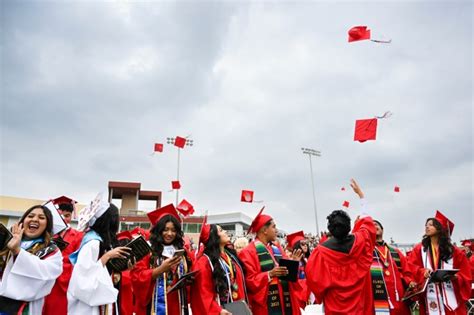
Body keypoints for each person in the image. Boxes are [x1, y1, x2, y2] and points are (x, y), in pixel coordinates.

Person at [306, 179, 376, 315]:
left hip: (334, 306)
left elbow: (315, 283)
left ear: (330, 230)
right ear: (350, 227)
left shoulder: (320, 252)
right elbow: (367, 223)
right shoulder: (360, 241)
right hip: (360, 306)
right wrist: (361, 196)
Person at [67, 193, 131, 315]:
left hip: (97, 301)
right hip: (87, 305)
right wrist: (107, 256)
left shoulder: (100, 240)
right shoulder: (93, 242)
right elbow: (83, 276)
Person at [238, 206, 303, 315]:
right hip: (266, 307)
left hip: (285, 302)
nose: (276, 230)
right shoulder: (248, 252)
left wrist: (293, 264)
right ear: (264, 230)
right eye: (274, 227)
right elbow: (249, 282)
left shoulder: (277, 248)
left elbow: (288, 275)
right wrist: (269, 274)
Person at [0, 205, 63, 314]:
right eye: (30, 216)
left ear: (47, 225)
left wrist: (17, 252)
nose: (35, 219)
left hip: (24, 307)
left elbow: (47, 273)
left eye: (41, 218)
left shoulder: (51, 249)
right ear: (23, 220)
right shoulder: (7, 240)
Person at [131, 204, 192, 315]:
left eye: (173, 230)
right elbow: (136, 277)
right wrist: (159, 270)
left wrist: (189, 278)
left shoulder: (182, 252)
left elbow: (191, 272)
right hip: (153, 307)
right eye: (165, 230)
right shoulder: (147, 251)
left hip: (177, 304)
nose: (170, 234)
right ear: (158, 231)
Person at [407, 211, 472, 315]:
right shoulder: (419, 249)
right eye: (426, 225)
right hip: (429, 294)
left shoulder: (454, 250)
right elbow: (411, 267)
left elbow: (465, 272)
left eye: (431, 225)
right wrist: (423, 271)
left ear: (440, 228)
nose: (427, 227)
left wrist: (456, 277)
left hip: (450, 294)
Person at [191, 222, 249, 314]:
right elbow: (203, 293)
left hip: (236, 306)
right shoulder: (204, 262)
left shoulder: (230, 256)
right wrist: (218, 310)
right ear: (213, 237)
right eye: (221, 230)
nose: (225, 231)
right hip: (221, 310)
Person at [44, 196, 84, 315]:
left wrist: (58, 264)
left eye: (67, 216)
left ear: (71, 216)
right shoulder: (46, 235)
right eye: (60, 215)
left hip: (65, 283)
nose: (64, 219)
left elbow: (79, 262)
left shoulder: (78, 236)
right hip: (46, 280)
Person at [372, 219, 415, 315]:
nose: (374, 226)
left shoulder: (395, 251)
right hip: (376, 296)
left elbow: (407, 272)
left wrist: (410, 282)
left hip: (398, 296)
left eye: (376, 224)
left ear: (382, 230)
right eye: (371, 226)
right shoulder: (367, 251)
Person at [286, 231, 313, 309]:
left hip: (309, 292)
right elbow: (292, 281)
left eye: (306, 244)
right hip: (299, 294)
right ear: (297, 246)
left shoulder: (307, 259)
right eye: (302, 244)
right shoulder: (291, 260)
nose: (305, 246)